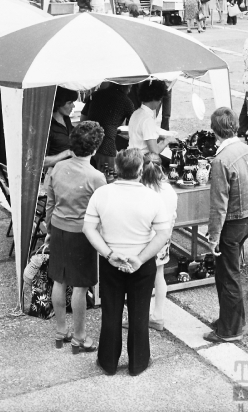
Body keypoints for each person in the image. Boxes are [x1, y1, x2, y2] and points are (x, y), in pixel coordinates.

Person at [83, 148, 171, 376]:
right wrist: (140, 259)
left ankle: (108, 362)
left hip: (111, 262)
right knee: (139, 314)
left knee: (110, 313)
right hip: (141, 262)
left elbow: (88, 229)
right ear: (140, 170)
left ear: (117, 169)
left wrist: (109, 254)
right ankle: (138, 363)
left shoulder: (102, 194)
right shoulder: (153, 197)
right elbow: (163, 234)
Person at [45, 122, 106, 353]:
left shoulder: (58, 168)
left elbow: (50, 202)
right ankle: (80, 336)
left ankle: (61, 330)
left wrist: (50, 230)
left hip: (58, 228)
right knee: (80, 287)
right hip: (82, 234)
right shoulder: (96, 177)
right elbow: (103, 213)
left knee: (59, 281)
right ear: (95, 148)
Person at [203, 108, 248, 343]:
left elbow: (219, 204)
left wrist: (213, 236)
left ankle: (230, 329)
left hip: (232, 222)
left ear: (214, 131)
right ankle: (233, 319)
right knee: (230, 273)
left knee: (228, 276)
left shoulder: (221, 160)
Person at [141, 153, 177, 330]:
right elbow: (173, 215)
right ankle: (158, 315)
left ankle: (140, 316)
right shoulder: (168, 190)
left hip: (143, 241)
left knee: (141, 281)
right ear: (162, 168)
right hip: (163, 239)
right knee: (159, 275)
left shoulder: (141, 190)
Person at [80, 83, 135, 171]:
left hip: (87, 143)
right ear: (127, 86)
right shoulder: (126, 101)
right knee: (107, 179)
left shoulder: (96, 94)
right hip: (106, 145)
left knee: (89, 177)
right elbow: (135, 122)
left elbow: (83, 119)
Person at [128, 80, 177, 155]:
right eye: (160, 99)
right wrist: (167, 140)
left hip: (132, 157)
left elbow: (147, 131)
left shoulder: (136, 113)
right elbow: (154, 151)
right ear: (154, 98)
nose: (160, 102)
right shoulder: (147, 119)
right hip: (142, 161)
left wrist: (165, 134)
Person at [44, 87, 79, 181]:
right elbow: (42, 162)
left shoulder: (66, 119)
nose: (73, 106)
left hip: (70, 172)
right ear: (58, 103)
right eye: (70, 102)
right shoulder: (47, 127)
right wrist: (67, 152)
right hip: (55, 176)